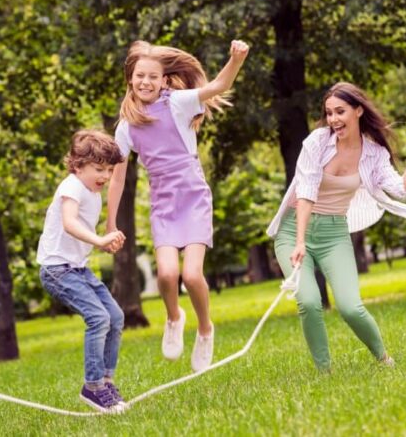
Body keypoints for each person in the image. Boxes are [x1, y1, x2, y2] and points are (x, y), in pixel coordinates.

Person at [267, 82, 406, 373]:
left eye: (340, 112)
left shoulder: (373, 153)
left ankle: (384, 359)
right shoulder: (317, 142)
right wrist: (299, 241)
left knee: (350, 307)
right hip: (293, 232)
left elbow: (402, 189)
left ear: (358, 111)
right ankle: (324, 372)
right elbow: (306, 191)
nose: (334, 119)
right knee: (309, 302)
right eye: (329, 113)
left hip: (334, 235)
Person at [107, 39, 250, 372]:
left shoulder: (178, 104)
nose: (146, 82)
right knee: (168, 274)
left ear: (164, 80)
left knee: (192, 274)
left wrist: (235, 59)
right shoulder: (126, 127)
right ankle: (174, 317)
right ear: (131, 79)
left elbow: (219, 85)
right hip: (163, 204)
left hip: (194, 197)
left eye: (152, 77)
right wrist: (111, 222)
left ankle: (205, 328)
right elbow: (117, 179)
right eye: (140, 76)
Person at [37, 130, 128, 413]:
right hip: (57, 270)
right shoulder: (72, 187)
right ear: (78, 166)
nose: (105, 175)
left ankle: (106, 383)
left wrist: (103, 242)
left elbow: (82, 235)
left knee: (115, 316)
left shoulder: (93, 192)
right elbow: (69, 223)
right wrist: (99, 239)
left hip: (78, 268)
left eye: (109, 170)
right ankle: (93, 387)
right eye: (99, 169)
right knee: (98, 318)